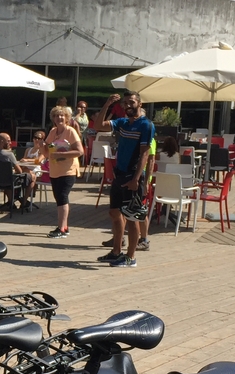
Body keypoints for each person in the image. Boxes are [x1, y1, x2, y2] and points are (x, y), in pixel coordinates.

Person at [95, 91, 155, 267]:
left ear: (139, 104)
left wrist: (137, 178)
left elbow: (145, 153)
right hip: (119, 174)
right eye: (125, 103)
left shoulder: (146, 125)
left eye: (131, 102)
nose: (127, 105)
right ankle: (115, 252)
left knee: (132, 217)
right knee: (114, 213)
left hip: (132, 175)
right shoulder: (122, 123)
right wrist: (107, 104)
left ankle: (130, 256)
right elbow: (99, 125)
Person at [43, 106, 83, 238]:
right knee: (59, 198)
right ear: (53, 118)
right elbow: (46, 151)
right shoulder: (53, 131)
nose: (59, 118)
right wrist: (41, 145)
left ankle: (61, 229)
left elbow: (79, 151)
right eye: (56, 116)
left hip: (68, 170)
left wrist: (61, 154)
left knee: (62, 197)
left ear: (67, 118)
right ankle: (64, 227)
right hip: (55, 170)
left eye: (62, 116)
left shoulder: (70, 131)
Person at [0, 133, 36, 209]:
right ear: (2, 141)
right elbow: (19, 171)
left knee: (7, 176)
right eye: (9, 141)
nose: (10, 143)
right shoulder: (9, 154)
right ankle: (24, 202)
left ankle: (11, 202)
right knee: (32, 177)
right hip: (9, 182)